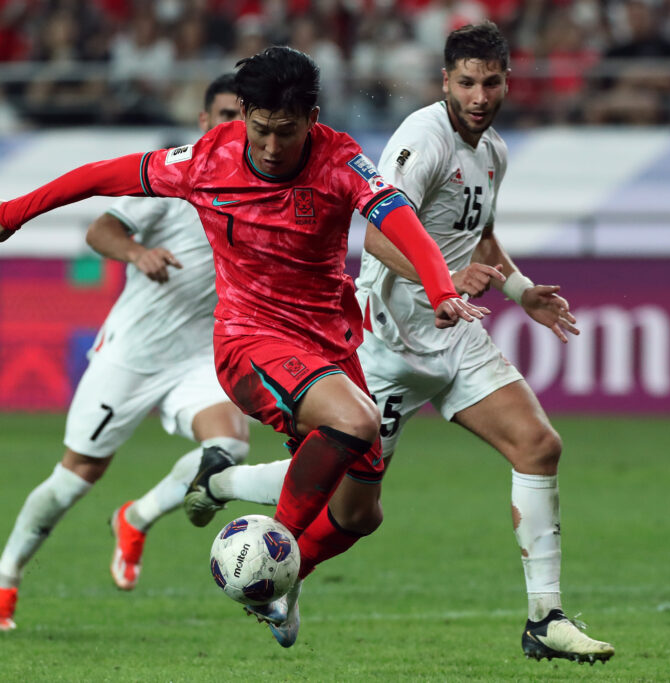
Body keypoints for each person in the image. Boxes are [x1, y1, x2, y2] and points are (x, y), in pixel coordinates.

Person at [0, 46, 487, 647]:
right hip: (247, 340)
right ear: (242, 113)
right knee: (356, 420)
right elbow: (99, 176)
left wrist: (438, 284)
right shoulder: (204, 159)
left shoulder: (339, 159)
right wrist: (15, 211)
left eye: (288, 132)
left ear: (313, 118)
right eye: (261, 129)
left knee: (359, 513)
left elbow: (397, 215)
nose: (272, 147)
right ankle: (273, 564)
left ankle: (238, 512)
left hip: (328, 344)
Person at [183, 23, 616, 664]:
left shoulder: (492, 150)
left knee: (538, 445)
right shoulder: (422, 139)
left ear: (506, 83)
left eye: (490, 82)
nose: (478, 95)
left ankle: (543, 620)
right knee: (357, 512)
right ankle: (230, 488)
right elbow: (380, 233)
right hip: (386, 342)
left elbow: (481, 234)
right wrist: (439, 278)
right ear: (445, 81)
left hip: (454, 337)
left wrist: (520, 289)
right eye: (466, 82)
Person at [0, 74, 248, 631]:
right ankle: (5, 573)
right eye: (223, 115)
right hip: (132, 354)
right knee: (76, 475)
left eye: (243, 117)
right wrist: (137, 252)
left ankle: (137, 517)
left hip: (199, 356)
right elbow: (100, 229)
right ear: (203, 123)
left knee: (227, 446)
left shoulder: (260, 190)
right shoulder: (178, 180)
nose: (233, 128)